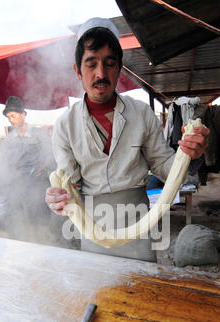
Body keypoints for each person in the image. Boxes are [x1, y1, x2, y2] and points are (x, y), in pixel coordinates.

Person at [45, 18, 209, 262]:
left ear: (119, 68)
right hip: (93, 227)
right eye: (91, 64)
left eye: (109, 64)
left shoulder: (141, 114)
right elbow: (70, 185)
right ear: (78, 71)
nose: (100, 73)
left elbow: (166, 168)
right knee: (99, 291)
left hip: (138, 223)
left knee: (141, 290)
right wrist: (57, 199)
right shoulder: (65, 125)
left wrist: (189, 155)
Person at [0, 96, 57, 242]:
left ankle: (45, 245)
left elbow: (52, 155)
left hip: (38, 186)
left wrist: (44, 165)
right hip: (18, 187)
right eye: (8, 117)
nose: (10, 120)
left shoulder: (39, 133)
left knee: (40, 223)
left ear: (23, 114)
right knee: (22, 222)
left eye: (13, 116)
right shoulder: (10, 138)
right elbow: (5, 161)